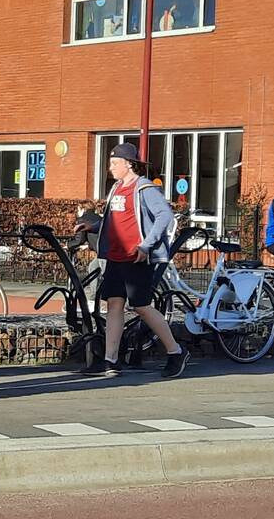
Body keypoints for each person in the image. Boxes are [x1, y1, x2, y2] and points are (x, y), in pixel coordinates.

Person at [74, 142, 189, 379]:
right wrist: (93, 225)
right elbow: (115, 220)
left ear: (129, 164)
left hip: (136, 258)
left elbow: (165, 215)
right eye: (110, 163)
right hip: (115, 257)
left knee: (141, 306)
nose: (111, 168)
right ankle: (110, 360)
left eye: (115, 163)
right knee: (114, 304)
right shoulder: (116, 188)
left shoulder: (144, 188)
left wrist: (146, 246)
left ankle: (176, 351)